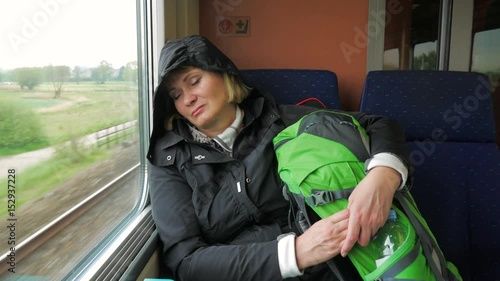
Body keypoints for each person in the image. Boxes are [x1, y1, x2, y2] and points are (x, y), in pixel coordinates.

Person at [147, 35, 411, 281]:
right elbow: (185, 260)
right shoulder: (169, 158)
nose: (188, 99)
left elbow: (377, 124)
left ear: (224, 75)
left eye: (194, 81)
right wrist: (296, 252)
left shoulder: (281, 120)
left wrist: (383, 177)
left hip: (331, 268)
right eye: (176, 95)